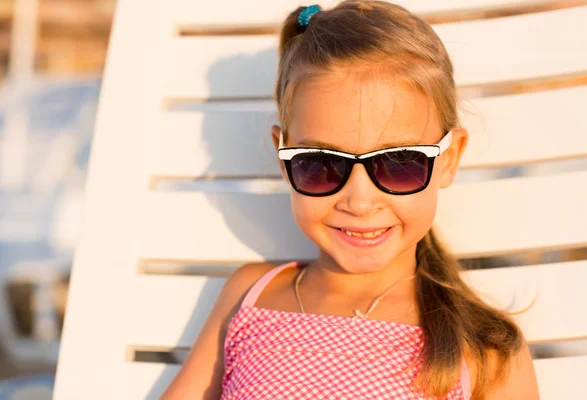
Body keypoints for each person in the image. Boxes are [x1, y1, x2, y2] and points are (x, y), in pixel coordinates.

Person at [162, 1, 539, 399]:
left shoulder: (484, 349)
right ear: (283, 157)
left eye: (399, 162)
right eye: (321, 163)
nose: (359, 201)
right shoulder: (249, 293)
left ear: (448, 160)